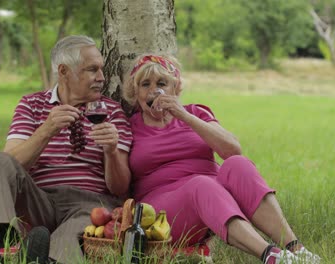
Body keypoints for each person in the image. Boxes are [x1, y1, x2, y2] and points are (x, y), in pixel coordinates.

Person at [122, 54, 321, 264]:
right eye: (145, 84)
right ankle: (272, 256)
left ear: (175, 88)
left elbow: (232, 149)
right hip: (164, 208)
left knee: (238, 164)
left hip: (215, 194)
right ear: (136, 93)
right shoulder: (129, 127)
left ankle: (297, 250)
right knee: (201, 184)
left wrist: (184, 116)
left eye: (162, 83)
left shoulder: (195, 112)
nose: (154, 91)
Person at [0, 35, 132, 264]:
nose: (101, 77)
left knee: (74, 231)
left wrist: (112, 151)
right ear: (64, 71)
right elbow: (12, 163)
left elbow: (120, 187)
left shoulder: (112, 112)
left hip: (89, 204)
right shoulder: (32, 104)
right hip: (39, 201)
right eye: (92, 70)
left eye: (101, 69)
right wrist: (46, 130)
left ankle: (43, 258)